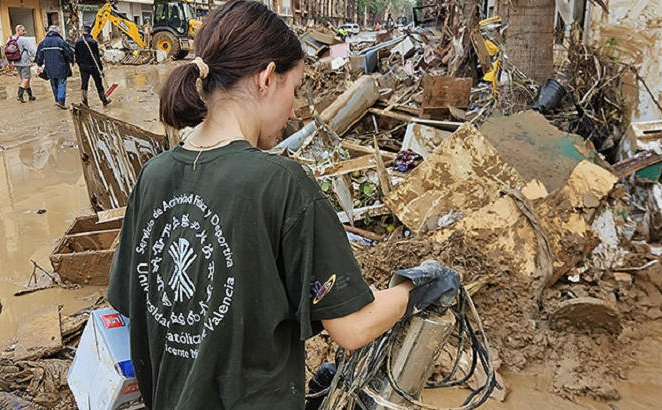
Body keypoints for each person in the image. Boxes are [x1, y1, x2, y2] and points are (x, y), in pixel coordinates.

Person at [107, 1, 446, 408]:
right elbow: (354, 328)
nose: (291, 113)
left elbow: (138, 307)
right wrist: (420, 285)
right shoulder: (281, 184)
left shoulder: (154, 175)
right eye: (296, 89)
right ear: (267, 78)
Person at [34, 25, 73, 110]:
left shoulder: (43, 42)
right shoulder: (60, 41)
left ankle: (56, 100)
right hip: (61, 67)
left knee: (54, 84)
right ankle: (61, 101)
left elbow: (39, 56)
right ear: (57, 32)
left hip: (49, 68)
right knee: (61, 83)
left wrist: (39, 65)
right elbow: (68, 53)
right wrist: (72, 60)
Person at [74, 26, 111, 107]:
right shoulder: (93, 42)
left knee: (84, 83)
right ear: (89, 32)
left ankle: (84, 102)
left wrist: (80, 65)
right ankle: (104, 100)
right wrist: (100, 68)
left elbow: (76, 56)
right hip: (94, 66)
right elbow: (96, 57)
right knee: (98, 83)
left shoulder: (78, 42)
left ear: (82, 32)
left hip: (83, 67)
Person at [5, 25, 37, 103]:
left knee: (25, 79)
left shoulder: (10, 39)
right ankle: (20, 95)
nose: (25, 32)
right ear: (18, 31)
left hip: (16, 61)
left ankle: (30, 95)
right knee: (25, 78)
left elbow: (7, 51)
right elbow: (31, 50)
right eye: (23, 30)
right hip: (24, 62)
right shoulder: (23, 39)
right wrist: (38, 57)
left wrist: (9, 62)